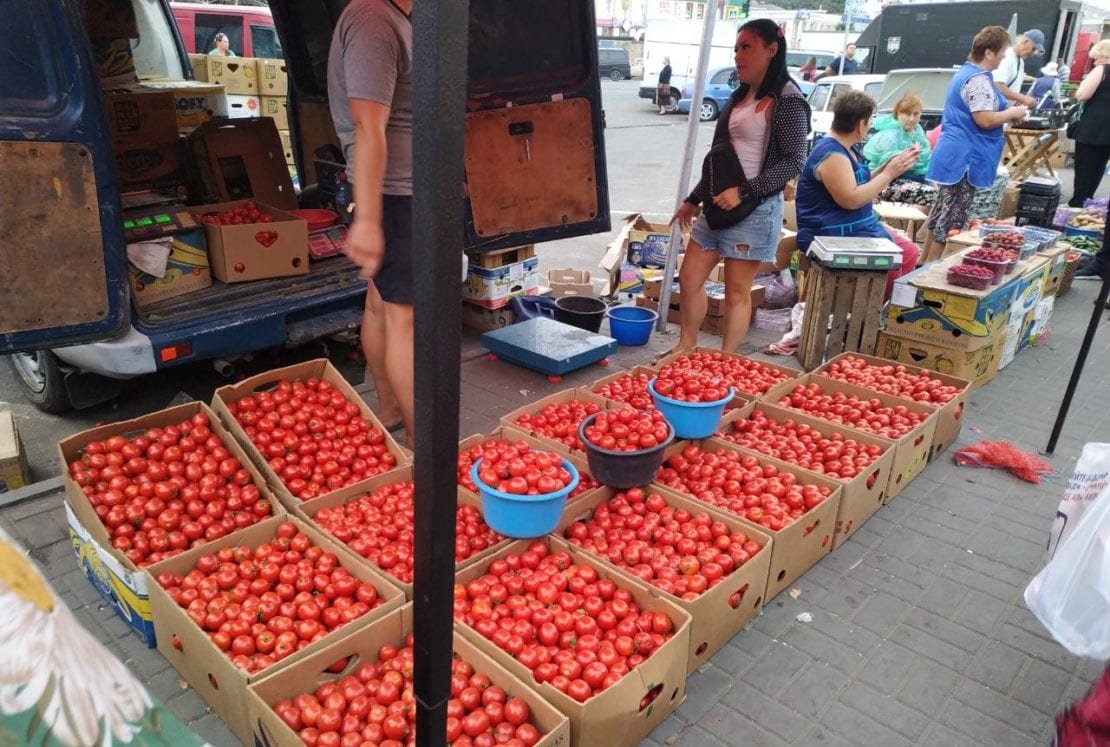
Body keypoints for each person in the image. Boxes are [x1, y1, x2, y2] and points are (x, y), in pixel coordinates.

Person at [667, 19, 809, 357]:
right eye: (736, 48)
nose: (738, 55)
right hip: (717, 207)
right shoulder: (737, 98)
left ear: (772, 50)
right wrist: (693, 199)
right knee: (688, 278)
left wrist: (744, 192)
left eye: (746, 47)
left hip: (754, 212)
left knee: (736, 292)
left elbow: (794, 162)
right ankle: (686, 346)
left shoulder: (788, 100)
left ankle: (725, 361)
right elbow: (722, 161)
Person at [328, 0, 414, 440]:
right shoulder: (374, 20)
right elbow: (367, 128)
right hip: (397, 195)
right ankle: (427, 451)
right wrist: (370, 218)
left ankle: (392, 410)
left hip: (398, 193)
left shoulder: (396, 18)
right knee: (407, 318)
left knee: (382, 304)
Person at [796, 91, 921, 298]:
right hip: (833, 232)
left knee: (909, 253)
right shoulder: (831, 154)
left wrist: (887, 167)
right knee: (891, 266)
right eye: (870, 120)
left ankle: (890, 314)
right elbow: (850, 199)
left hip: (857, 227)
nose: (871, 125)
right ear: (861, 124)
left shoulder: (847, 149)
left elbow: (859, 181)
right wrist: (890, 174)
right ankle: (870, 321)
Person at [922, 26, 1029, 263]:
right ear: (989, 52)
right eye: (1001, 54)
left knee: (941, 210)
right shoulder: (979, 80)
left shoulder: (966, 73)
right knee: (952, 217)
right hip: (966, 158)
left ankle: (922, 262)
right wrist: (1012, 112)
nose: (1002, 59)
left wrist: (1008, 112)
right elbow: (985, 119)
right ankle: (928, 270)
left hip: (955, 153)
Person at [1068, 39, 1110, 215]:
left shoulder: (1102, 70)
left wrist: (1079, 92)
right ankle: (1088, 200)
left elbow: (1083, 94)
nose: (1094, 61)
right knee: (1099, 166)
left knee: (1085, 166)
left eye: (1095, 58)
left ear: (1102, 56)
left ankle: (1078, 202)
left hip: (1093, 126)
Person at [863, 92, 932, 182]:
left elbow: (926, 155)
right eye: (907, 114)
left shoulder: (917, 130)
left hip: (917, 177)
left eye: (916, 114)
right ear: (897, 114)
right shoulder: (890, 135)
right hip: (888, 180)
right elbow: (886, 163)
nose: (912, 119)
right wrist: (911, 153)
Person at [992, 29, 1045, 107]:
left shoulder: (1020, 61)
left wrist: (1016, 102)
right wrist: (1022, 98)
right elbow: (997, 86)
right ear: (1026, 42)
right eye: (1033, 49)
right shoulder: (1007, 57)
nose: (1032, 53)